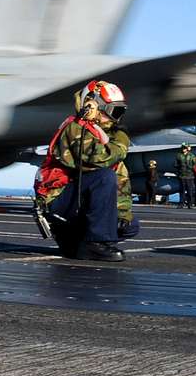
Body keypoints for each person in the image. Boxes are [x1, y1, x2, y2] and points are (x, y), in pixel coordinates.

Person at [32, 80, 139, 262]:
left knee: (129, 226)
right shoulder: (75, 128)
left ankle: (77, 243)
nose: (115, 118)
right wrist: (121, 140)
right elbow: (98, 159)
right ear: (92, 105)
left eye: (120, 112)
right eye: (113, 110)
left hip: (76, 200)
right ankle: (95, 244)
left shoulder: (102, 133)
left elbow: (120, 178)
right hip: (59, 200)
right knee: (104, 177)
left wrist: (122, 214)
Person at [175, 144, 195, 209]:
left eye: (184, 148)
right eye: (182, 148)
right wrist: (179, 168)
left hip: (190, 176)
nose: (183, 149)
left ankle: (190, 204)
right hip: (182, 176)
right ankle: (181, 204)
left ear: (187, 149)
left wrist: (191, 168)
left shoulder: (192, 156)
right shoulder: (179, 155)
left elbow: (195, 165)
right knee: (182, 191)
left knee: (190, 191)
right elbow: (175, 164)